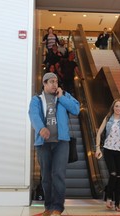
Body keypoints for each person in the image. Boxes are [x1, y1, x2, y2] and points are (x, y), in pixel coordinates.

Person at [28, 72, 80, 216]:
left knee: (58, 175)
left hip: (61, 142)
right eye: (51, 81)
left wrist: (62, 97)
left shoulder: (64, 96)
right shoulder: (36, 100)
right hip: (43, 143)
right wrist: (41, 128)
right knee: (46, 177)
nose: (54, 84)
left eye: (56, 81)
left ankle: (57, 207)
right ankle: (48, 208)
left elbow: (76, 109)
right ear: (44, 83)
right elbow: (33, 115)